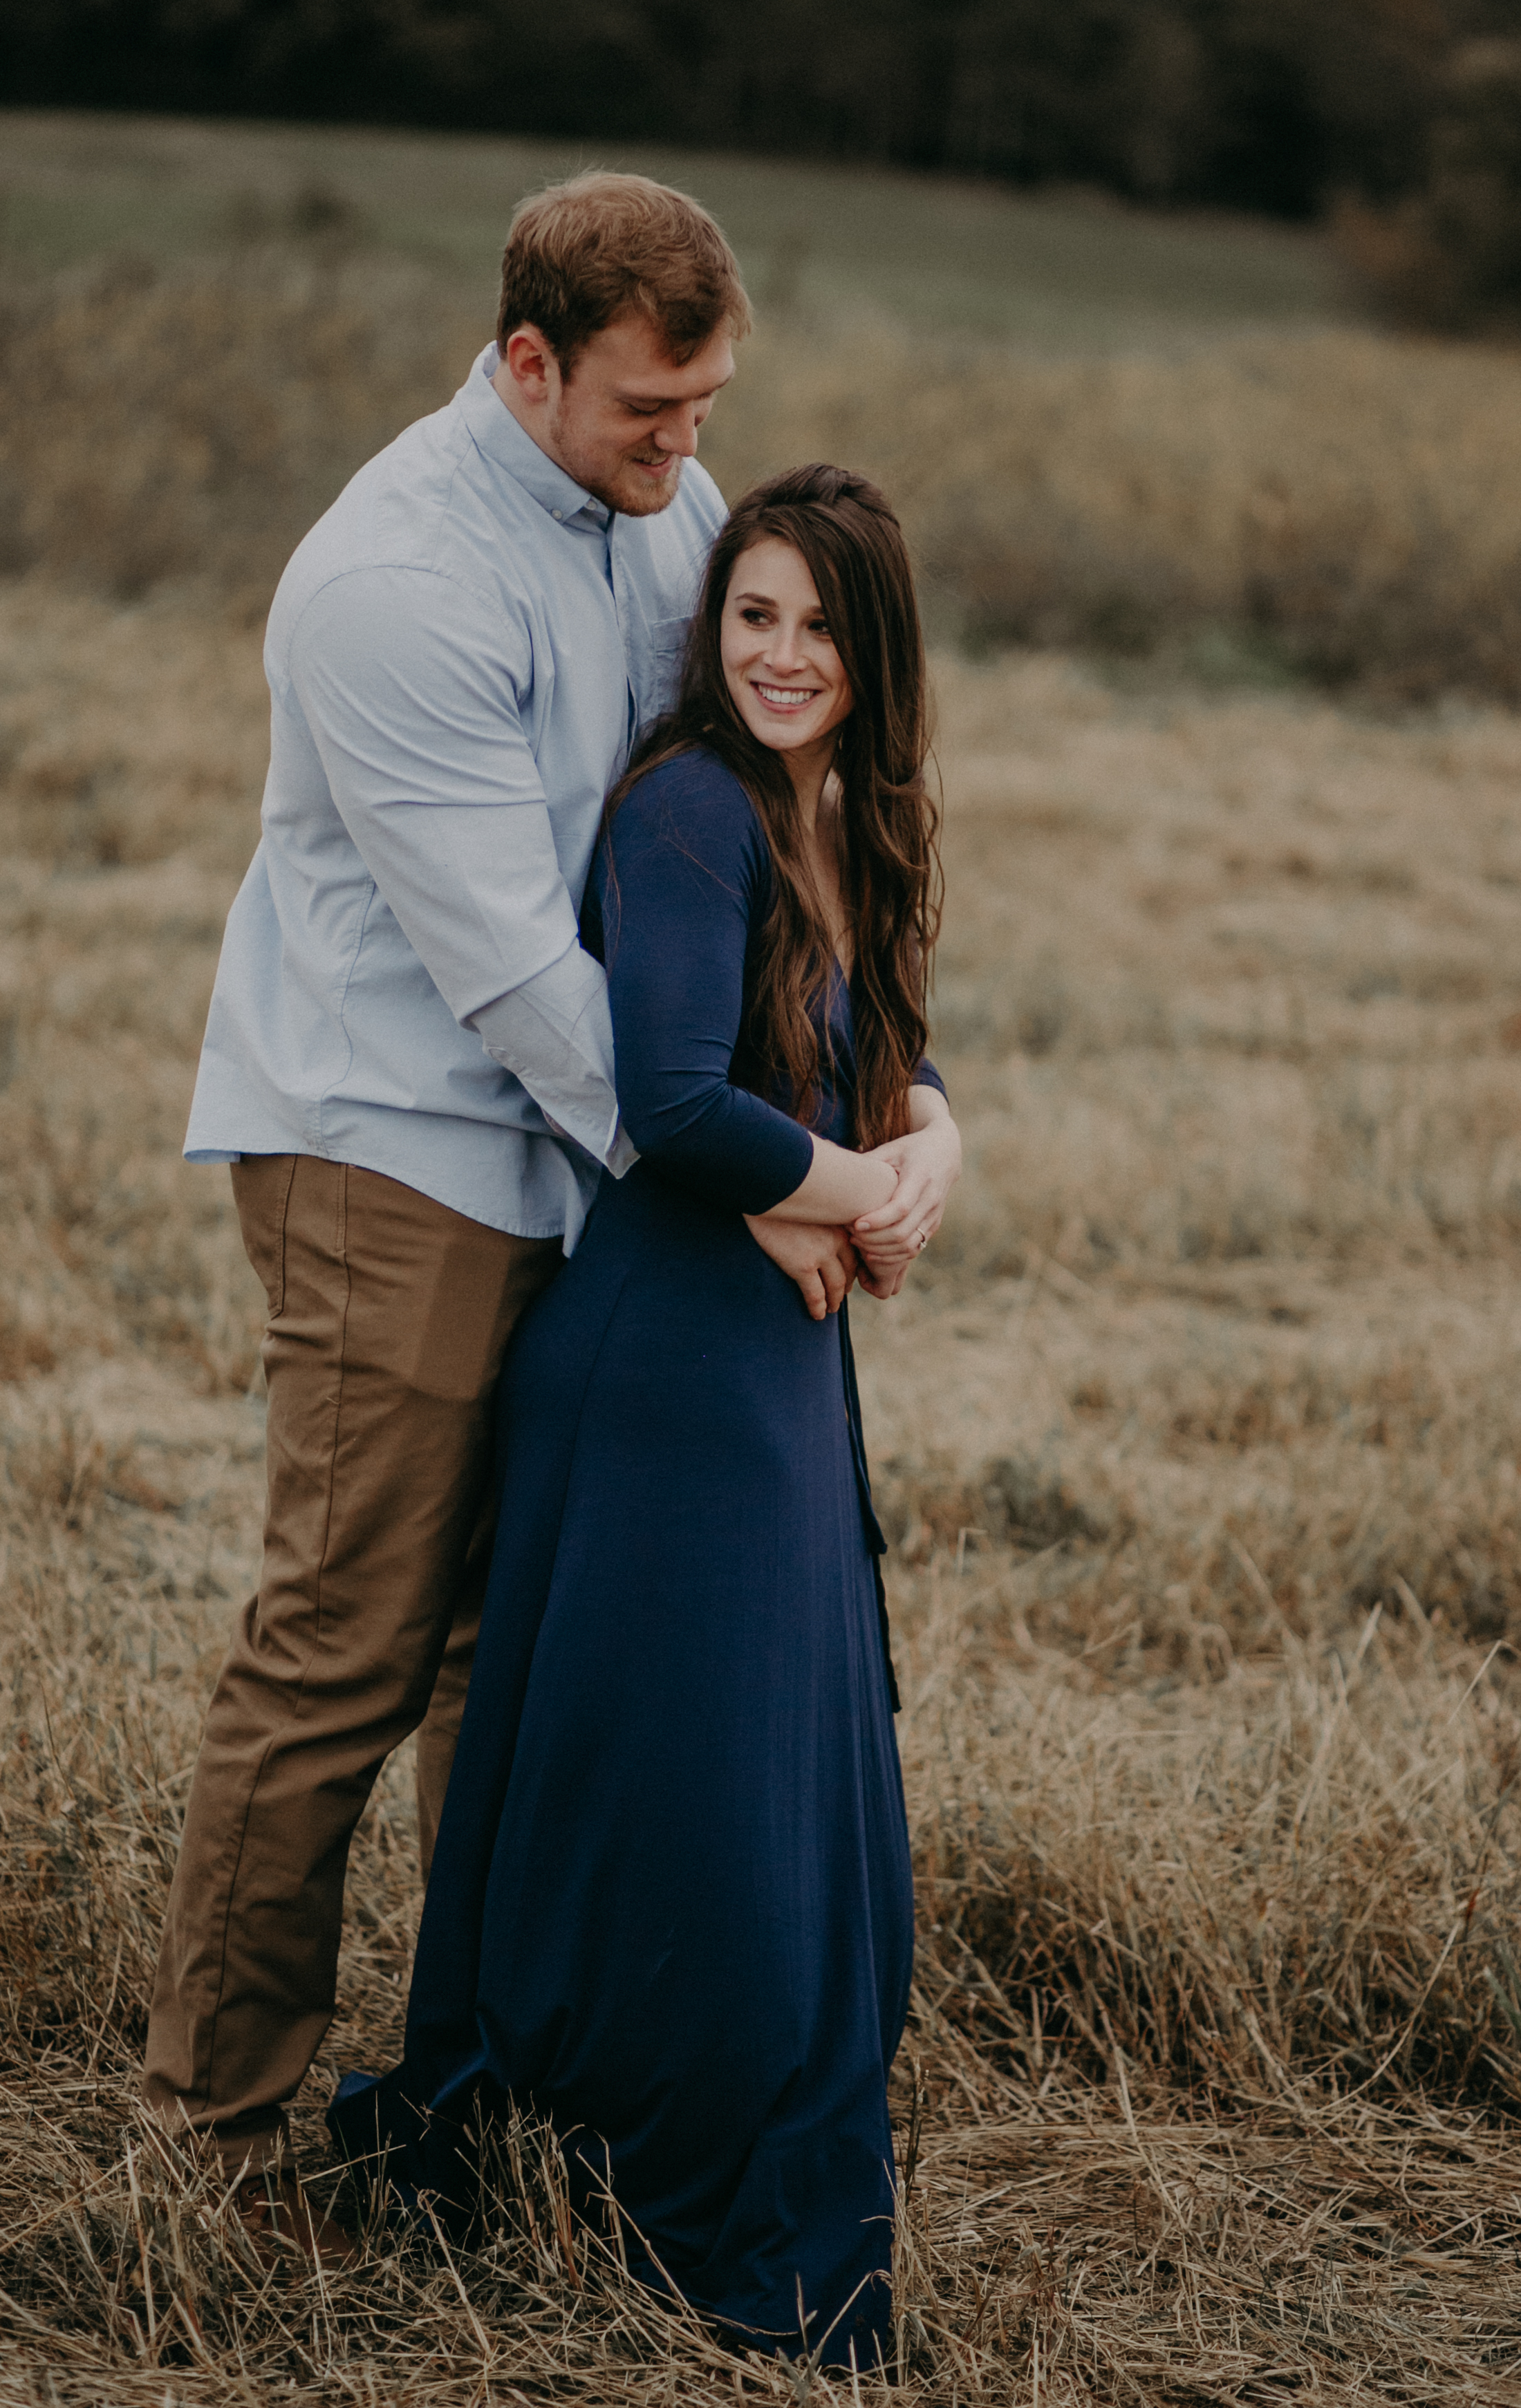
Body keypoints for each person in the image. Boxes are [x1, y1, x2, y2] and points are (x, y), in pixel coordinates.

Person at [142, 172, 900, 2249]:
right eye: (654, 412)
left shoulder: (662, 501)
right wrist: (755, 1175)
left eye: (708, 406)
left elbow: (731, 824)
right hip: (396, 1141)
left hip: (598, 1159)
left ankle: (487, 2095)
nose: (688, 458)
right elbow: (514, 979)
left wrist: (846, 1105)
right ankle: (208, 2150)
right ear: (528, 363)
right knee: (349, 1642)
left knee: (530, 1659)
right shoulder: (389, 580)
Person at [328, 463, 960, 2370]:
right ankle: (635, 2129)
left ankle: (672, 2090)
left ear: (871, 654)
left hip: (769, 1349)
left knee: (761, 1751)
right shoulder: (692, 807)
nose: (776, 654)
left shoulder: (845, 816)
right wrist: (859, 1190)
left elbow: (885, 1056)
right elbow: (675, 1099)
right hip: (666, 1360)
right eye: (748, 615)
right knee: (695, 1772)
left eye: (814, 625)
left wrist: (939, 1143)